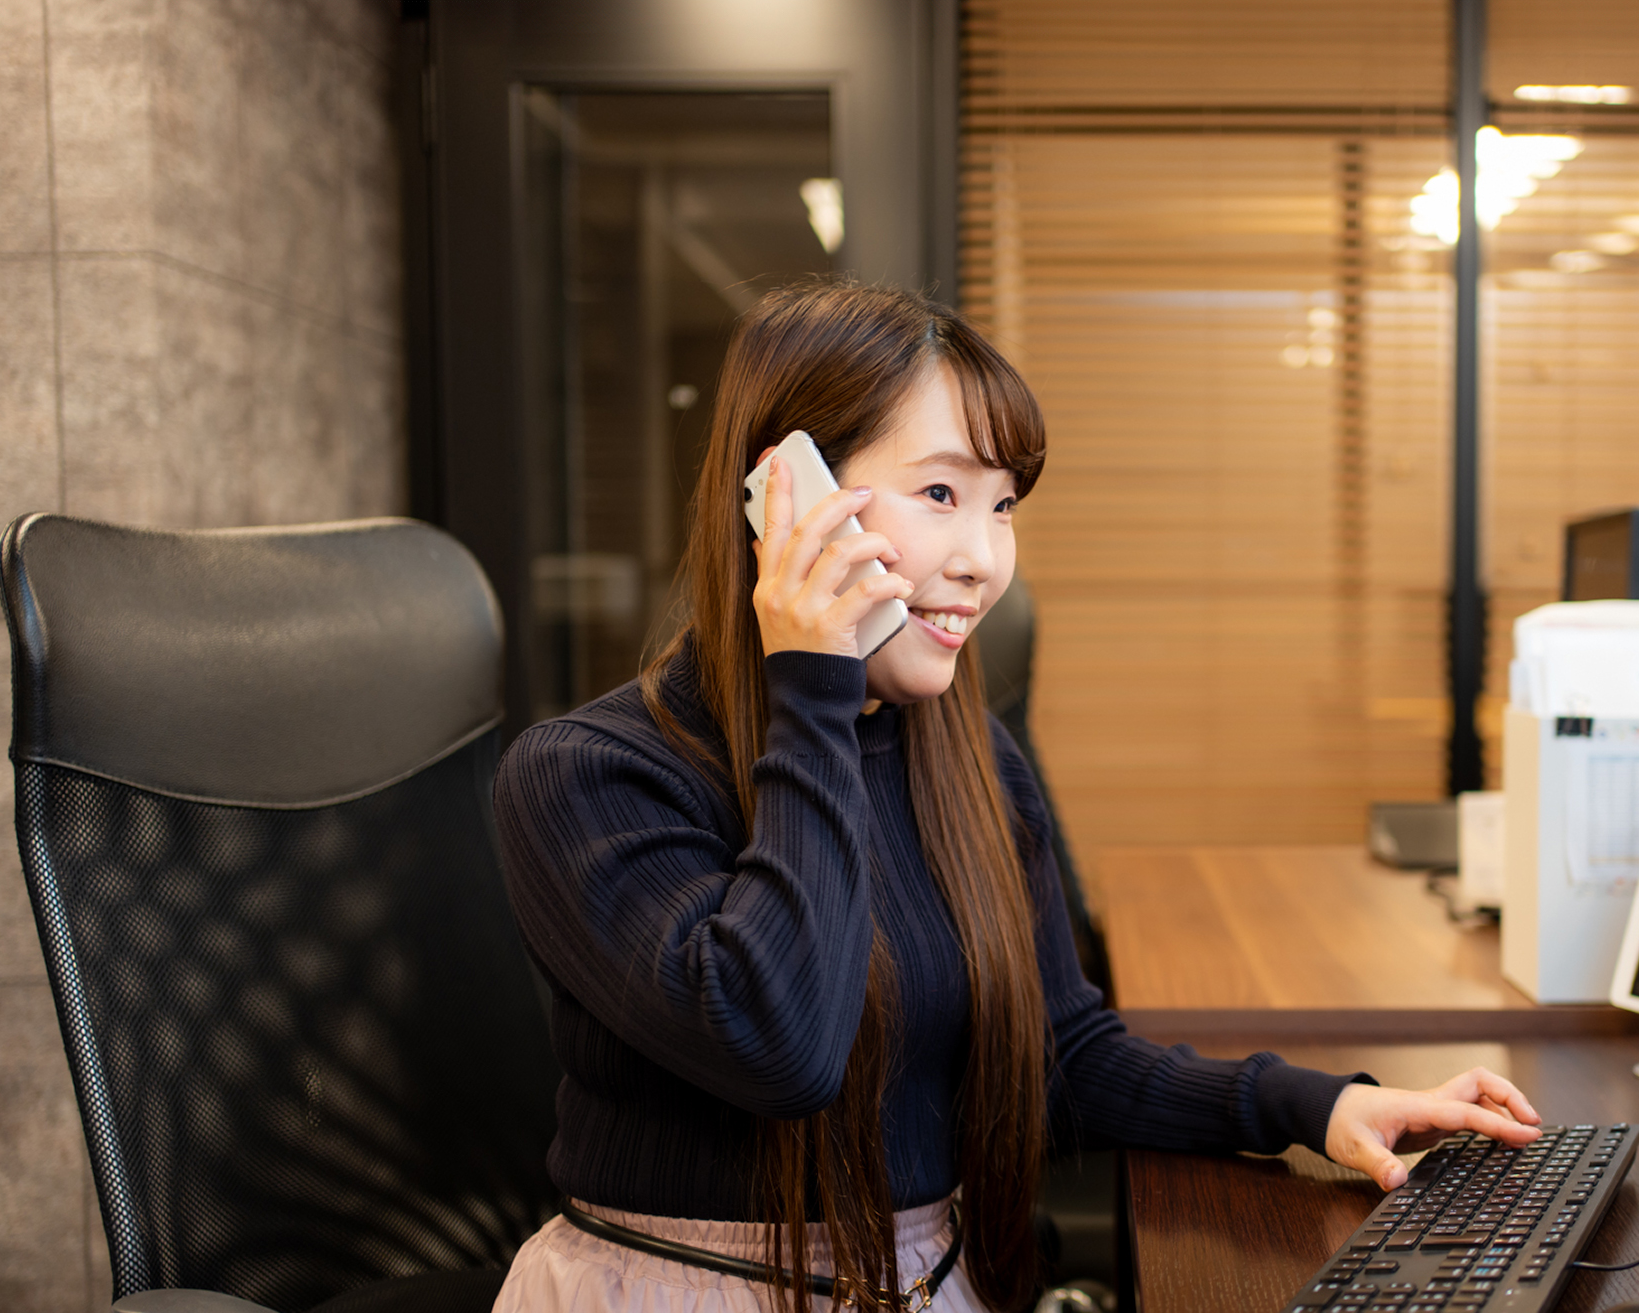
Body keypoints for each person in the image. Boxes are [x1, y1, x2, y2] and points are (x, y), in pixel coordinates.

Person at [490, 283, 1542, 1313]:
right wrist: (811, 686)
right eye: (941, 496)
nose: (983, 562)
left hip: (931, 1283)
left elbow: (1060, 1057)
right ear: (785, 501)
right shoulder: (587, 777)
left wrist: (1317, 1106)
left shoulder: (968, 758)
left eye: (1003, 507)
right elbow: (782, 1045)